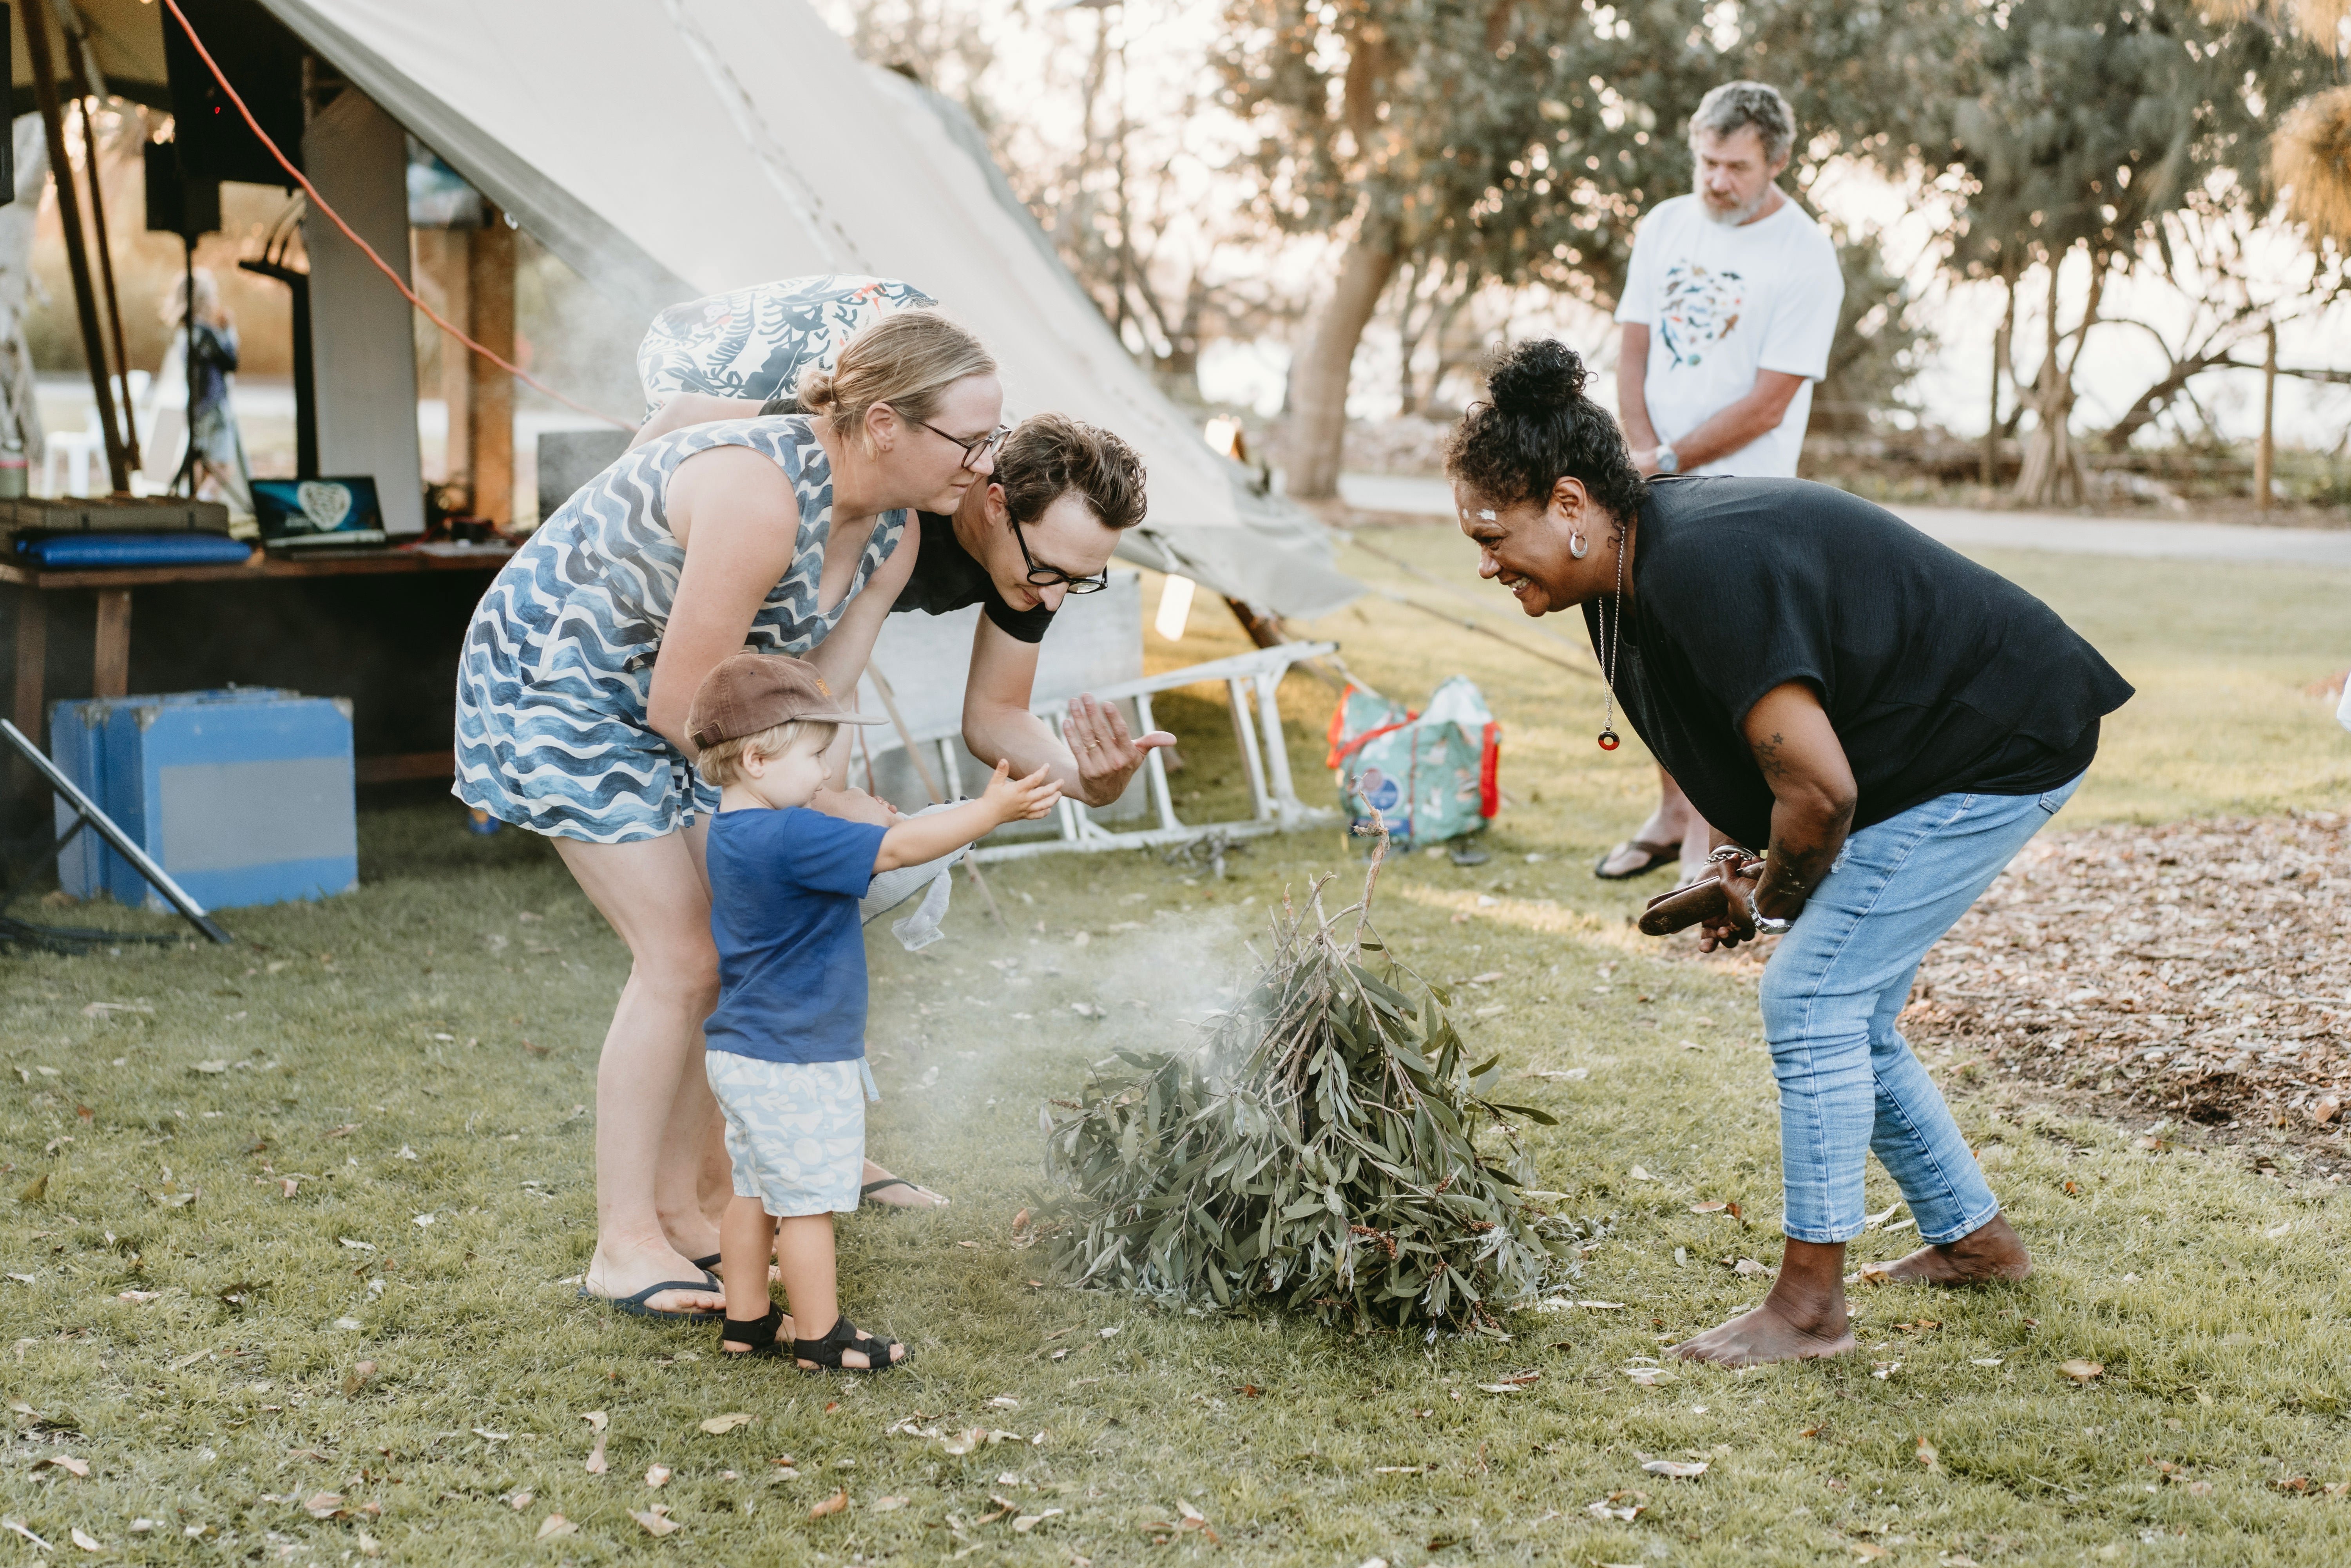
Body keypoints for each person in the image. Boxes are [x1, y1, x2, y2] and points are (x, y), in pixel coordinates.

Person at [1445, 338, 2133, 1367]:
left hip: (2002, 735)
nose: (1486, 560)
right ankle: (1977, 1243)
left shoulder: (1700, 563)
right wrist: (1735, 869)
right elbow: (1739, 752)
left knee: (1810, 998)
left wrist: (1770, 902)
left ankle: (1811, 1307)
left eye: (1496, 533)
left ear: (1574, 502)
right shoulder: (1624, 574)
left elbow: (1819, 790)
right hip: (1928, 753)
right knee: (1848, 1002)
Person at [454, 309, 1001, 1320]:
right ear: (885, 424)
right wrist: (810, 801)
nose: (985, 464)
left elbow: (818, 695)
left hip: (699, 709)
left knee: (732, 936)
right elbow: (680, 704)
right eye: (971, 442)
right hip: (561, 686)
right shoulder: (759, 493)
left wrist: (830, 789)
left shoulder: (892, 531)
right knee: (682, 952)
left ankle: (690, 1209)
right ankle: (623, 1241)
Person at [630, 277, 1175, 816]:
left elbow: (995, 713)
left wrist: (1085, 781)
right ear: (993, 505)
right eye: (1049, 573)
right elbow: (681, 416)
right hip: (722, 354)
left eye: (1078, 581)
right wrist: (588, 533)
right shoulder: (876, 448)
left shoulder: (1042, 556)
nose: (1054, 599)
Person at [686, 653, 1061, 1368]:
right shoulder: (792, 836)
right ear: (758, 758)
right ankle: (821, 1336)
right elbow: (898, 847)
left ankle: (747, 1321)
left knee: (754, 1192)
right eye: (814, 755)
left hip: (742, 1049)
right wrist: (989, 811)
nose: (826, 772)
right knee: (806, 1204)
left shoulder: (731, 831)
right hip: (798, 1056)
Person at [1596, 81, 1843, 887]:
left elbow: (1771, 398)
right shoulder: (1667, 223)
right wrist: (1638, 447)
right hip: (1649, 474)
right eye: (1707, 161)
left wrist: (1669, 458)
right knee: (1643, 654)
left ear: (1776, 162)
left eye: (1735, 167)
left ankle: (1709, 845)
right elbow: (1632, 347)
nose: (1716, 181)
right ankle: (1670, 816)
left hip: (1742, 494)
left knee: (1711, 669)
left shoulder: (1804, 255)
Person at [157, 268, 254, 516]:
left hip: (197, 406)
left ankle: (196, 512)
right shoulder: (207, 333)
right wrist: (229, 330)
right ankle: (202, 504)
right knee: (223, 466)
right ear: (204, 300)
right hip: (215, 406)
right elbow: (231, 362)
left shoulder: (185, 331)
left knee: (203, 465)